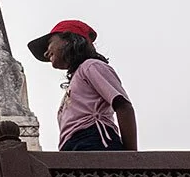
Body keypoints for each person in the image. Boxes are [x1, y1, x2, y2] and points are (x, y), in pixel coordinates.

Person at [28, 19, 136, 151]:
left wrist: (131, 158)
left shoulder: (91, 66)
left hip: (94, 140)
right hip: (71, 147)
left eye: (50, 43)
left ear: (68, 39)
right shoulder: (77, 78)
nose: (46, 53)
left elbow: (123, 106)